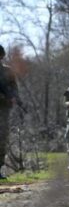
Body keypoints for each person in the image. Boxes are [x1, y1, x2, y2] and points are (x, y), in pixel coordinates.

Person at [0, 45, 19, 179]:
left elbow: (14, 88)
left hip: (3, 109)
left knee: (2, 139)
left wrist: (13, 97)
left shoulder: (7, 71)